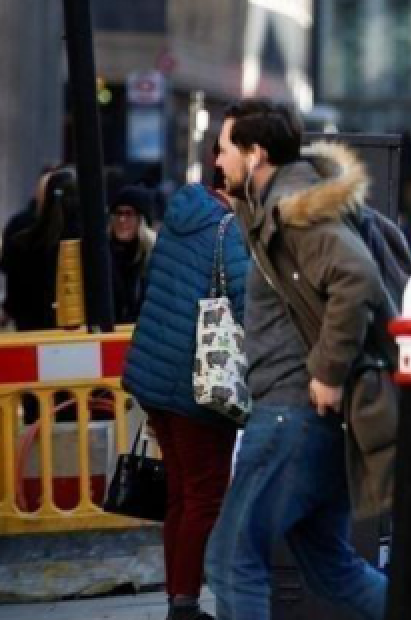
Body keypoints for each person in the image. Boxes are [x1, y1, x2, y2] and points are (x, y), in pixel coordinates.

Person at [204, 99, 388, 620]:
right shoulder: (274, 202)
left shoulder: (295, 208)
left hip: (291, 414)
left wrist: (328, 373)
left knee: (231, 560)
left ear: (256, 154)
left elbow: (358, 279)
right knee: (331, 566)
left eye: (223, 150)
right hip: (307, 420)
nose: (217, 161)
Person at [121, 175, 248, 620]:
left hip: (157, 376)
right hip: (199, 383)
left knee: (180, 493)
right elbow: (247, 297)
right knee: (205, 497)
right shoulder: (227, 229)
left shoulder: (178, 217)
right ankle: (186, 606)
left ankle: (180, 597)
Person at [0, 168, 81, 331]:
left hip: (33, 335)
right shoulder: (90, 240)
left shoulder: (22, 239)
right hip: (79, 335)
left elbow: (14, 300)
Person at [108, 185, 157, 324]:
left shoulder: (153, 257)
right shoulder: (105, 255)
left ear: (141, 220)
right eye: (118, 213)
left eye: (129, 214)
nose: (122, 219)